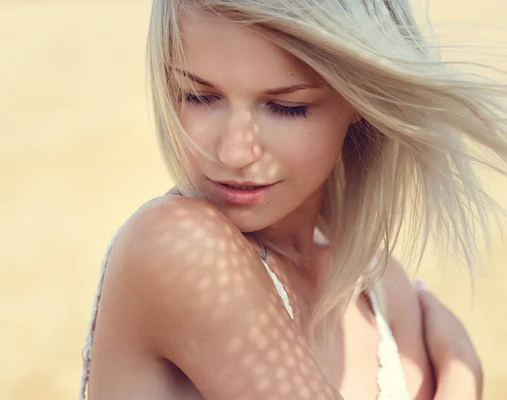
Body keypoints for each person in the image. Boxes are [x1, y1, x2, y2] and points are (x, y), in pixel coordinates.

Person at [79, 0, 505, 398]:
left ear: (358, 98)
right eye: (199, 96)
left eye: (286, 107)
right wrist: (463, 375)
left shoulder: (380, 288)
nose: (234, 152)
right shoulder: (181, 248)